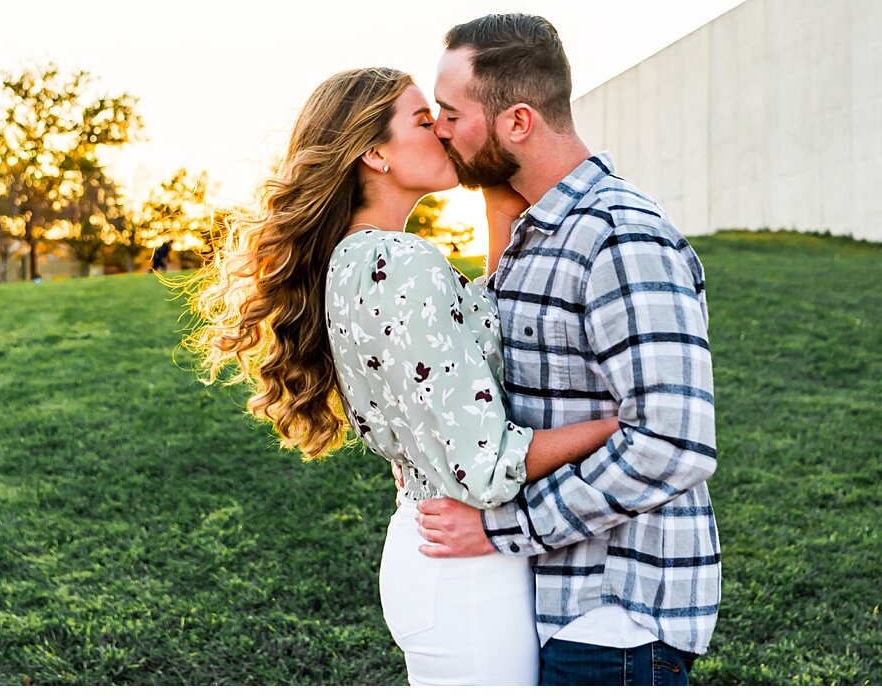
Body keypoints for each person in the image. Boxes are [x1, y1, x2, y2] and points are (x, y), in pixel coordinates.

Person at [189, 66, 619, 685]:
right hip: (466, 574)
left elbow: (480, 324)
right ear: (374, 152)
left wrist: (497, 201)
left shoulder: (357, 259)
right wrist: (617, 427)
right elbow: (487, 463)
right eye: (424, 121)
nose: (444, 132)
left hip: (434, 557)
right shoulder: (402, 262)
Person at [416, 13, 720, 686]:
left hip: (615, 618)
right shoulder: (536, 233)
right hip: (554, 603)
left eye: (450, 112)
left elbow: (673, 444)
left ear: (517, 122)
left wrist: (502, 529)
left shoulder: (619, 238)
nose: (439, 128)